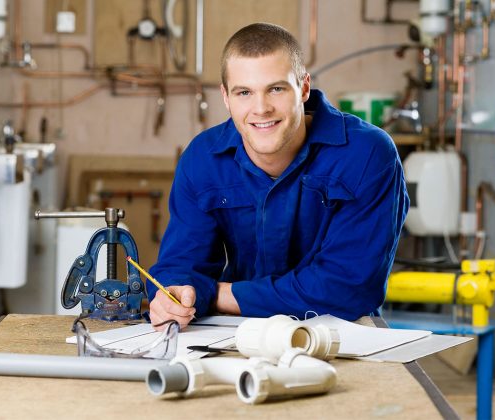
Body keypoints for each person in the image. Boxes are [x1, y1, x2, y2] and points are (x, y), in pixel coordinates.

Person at [147, 23, 409, 329]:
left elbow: (347, 288)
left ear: (304, 88)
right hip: (236, 330)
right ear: (225, 97)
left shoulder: (366, 154)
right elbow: (181, 265)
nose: (261, 108)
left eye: (276, 89)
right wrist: (176, 294)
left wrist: (216, 294)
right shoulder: (203, 159)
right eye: (244, 92)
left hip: (343, 329)